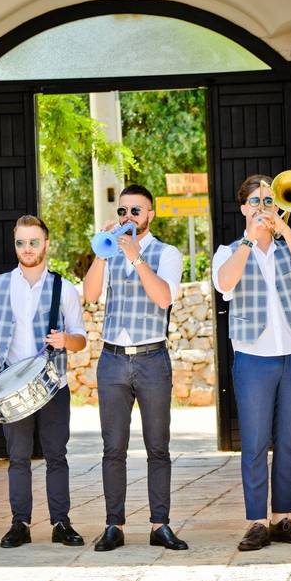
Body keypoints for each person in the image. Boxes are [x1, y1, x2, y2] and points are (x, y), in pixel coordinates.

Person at [212, 175, 291, 551]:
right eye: (256, 201)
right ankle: (257, 521)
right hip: (253, 357)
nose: (263, 206)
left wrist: (283, 231)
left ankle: (282, 518)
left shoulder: (286, 248)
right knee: (255, 442)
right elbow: (225, 284)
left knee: (290, 441)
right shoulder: (228, 251)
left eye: (269, 200)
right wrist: (249, 239)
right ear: (243, 207)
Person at [82, 184, 188, 552]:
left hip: (151, 358)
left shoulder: (168, 253)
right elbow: (91, 295)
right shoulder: (110, 251)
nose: (128, 218)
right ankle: (114, 524)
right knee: (113, 449)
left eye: (136, 211)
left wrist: (136, 256)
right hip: (112, 360)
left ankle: (160, 524)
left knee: (158, 447)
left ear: (150, 215)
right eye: (123, 211)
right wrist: (102, 250)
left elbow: (162, 297)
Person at [0, 215, 88, 548]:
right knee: (18, 457)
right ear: (15, 244)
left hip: (53, 385)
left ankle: (61, 523)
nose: (27, 248)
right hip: (12, 386)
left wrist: (67, 340)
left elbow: (81, 338)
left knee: (56, 455)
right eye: (21, 242)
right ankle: (19, 523)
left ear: (46, 244)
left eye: (34, 242)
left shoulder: (62, 288)